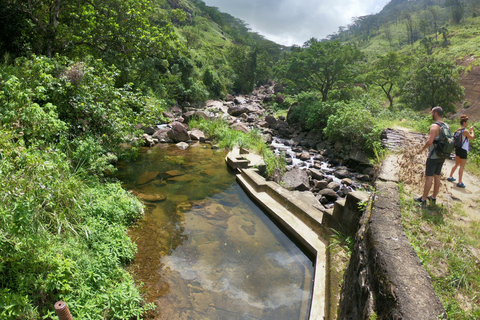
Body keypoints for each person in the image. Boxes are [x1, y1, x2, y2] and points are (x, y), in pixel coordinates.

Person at [415, 106, 449, 205]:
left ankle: (423, 199)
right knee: (437, 176)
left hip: (433, 155)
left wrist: (422, 149)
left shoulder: (434, 126)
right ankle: (434, 197)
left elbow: (430, 141)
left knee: (429, 177)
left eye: (432, 113)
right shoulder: (446, 126)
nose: (431, 115)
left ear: (435, 113)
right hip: (442, 155)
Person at [447, 114, 475, 188]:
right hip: (463, 150)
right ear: (464, 123)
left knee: (456, 164)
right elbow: (472, 137)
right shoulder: (465, 131)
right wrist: (472, 131)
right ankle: (460, 182)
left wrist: (469, 131)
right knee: (462, 166)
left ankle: (450, 176)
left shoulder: (459, 130)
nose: (468, 124)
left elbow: (465, 136)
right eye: (467, 122)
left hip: (458, 149)